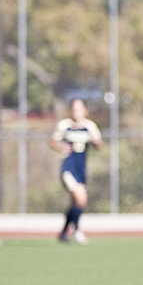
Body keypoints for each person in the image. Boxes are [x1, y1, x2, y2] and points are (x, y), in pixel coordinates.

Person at [50, 98, 102, 245]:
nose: (76, 112)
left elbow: (99, 144)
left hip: (81, 169)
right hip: (68, 168)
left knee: (76, 203)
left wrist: (97, 142)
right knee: (81, 199)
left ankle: (64, 233)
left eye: (79, 109)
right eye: (73, 108)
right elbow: (53, 142)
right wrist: (60, 147)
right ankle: (76, 229)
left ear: (85, 111)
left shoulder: (90, 126)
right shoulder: (64, 125)